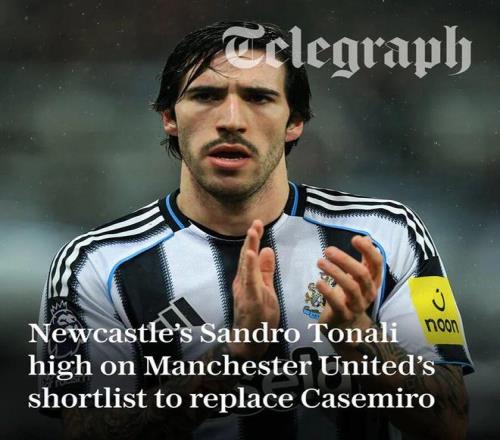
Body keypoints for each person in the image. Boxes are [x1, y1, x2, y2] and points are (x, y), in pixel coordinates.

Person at [38, 21, 473, 440]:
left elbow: (450, 422)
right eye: (206, 96)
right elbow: (84, 429)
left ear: (294, 122)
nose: (231, 119)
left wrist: (357, 335)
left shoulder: (388, 234)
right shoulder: (96, 264)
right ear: (170, 117)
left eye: (259, 97)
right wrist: (234, 354)